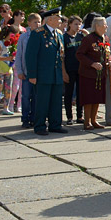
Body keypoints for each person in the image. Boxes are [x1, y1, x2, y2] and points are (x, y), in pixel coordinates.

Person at [25, 7, 69, 136]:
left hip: (56, 74)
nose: (60, 20)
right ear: (50, 19)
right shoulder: (38, 33)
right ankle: (40, 126)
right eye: (58, 18)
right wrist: (32, 74)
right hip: (43, 74)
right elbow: (31, 55)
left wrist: (63, 72)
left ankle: (55, 124)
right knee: (42, 101)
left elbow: (60, 55)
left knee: (56, 101)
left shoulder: (59, 34)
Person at [76, 17, 111, 129]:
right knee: (89, 98)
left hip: (101, 74)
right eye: (104, 24)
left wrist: (110, 62)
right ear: (97, 26)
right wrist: (92, 64)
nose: (106, 26)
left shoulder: (105, 38)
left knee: (97, 97)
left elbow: (107, 53)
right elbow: (80, 54)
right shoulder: (88, 39)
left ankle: (94, 120)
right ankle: (86, 121)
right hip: (88, 74)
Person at [15, 13, 41, 129]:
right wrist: (19, 71)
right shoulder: (24, 37)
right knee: (25, 96)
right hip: (26, 73)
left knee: (36, 97)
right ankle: (25, 118)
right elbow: (19, 54)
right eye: (35, 22)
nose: (38, 24)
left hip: (38, 72)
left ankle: (34, 117)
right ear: (29, 23)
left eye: (39, 22)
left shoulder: (41, 35)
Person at [0, 25, 17, 116]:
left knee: (8, 89)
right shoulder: (0, 43)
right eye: (13, 34)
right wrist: (7, 58)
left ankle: (6, 107)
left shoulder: (13, 44)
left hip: (8, 70)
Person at [63, 15, 84, 124]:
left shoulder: (81, 37)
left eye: (79, 24)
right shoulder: (64, 37)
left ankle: (80, 115)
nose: (77, 26)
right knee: (69, 93)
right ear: (69, 24)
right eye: (75, 24)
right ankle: (69, 116)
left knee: (81, 93)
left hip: (80, 69)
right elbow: (62, 56)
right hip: (69, 68)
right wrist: (63, 71)